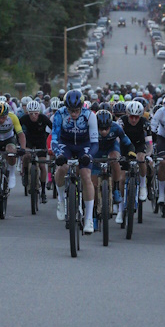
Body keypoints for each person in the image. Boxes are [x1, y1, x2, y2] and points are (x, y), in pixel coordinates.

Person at [52, 90, 99, 234]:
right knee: (62, 168)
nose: (73, 114)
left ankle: (89, 218)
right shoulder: (59, 115)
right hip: (65, 144)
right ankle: (61, 200)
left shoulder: (90, 116)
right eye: (71, 111)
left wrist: (89, 156)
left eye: (76, 110)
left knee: (86, 175)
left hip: (84, 145)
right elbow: (54, 139)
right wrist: (58, 154)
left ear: (82, 107)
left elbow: (95, 143)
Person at [120, 100, 153, 200]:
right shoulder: (122, 121)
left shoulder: (145, 123)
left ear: (140, 116)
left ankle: (143, 185)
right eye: (131, 117)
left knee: (141, 158)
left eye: (136, 117)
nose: (134, 120)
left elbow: (149, 143)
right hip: (125, 145)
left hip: (139, 144)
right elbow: (117, 139)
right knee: (121, 176)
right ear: (127, 114)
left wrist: (148, 154)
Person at [20, 99, 52, 203]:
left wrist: (51, 142)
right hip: (29, 140)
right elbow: (16, 129)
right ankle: (25, 173)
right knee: (26, 156)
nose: (33, 116)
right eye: (31, 114)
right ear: (27, 113)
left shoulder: (43, 118)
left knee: (42, 165)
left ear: (39, 112)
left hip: (41, 142)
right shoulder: (24, 118)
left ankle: (43, 191)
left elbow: (54, 129)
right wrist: (19, 143)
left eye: (36, 113)